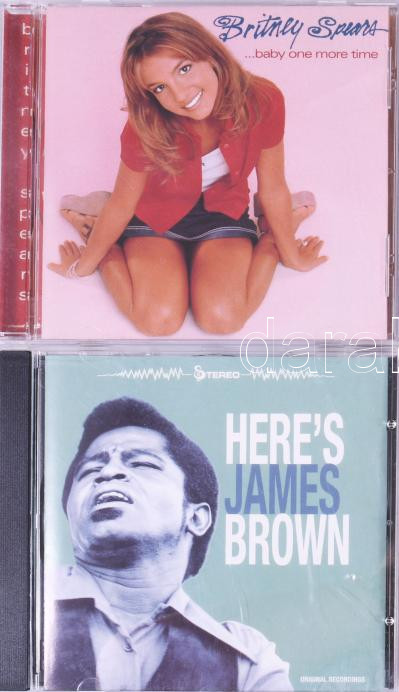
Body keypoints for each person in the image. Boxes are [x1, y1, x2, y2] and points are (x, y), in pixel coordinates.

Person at [47, 12, 326, 336]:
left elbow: (273, 187)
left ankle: (271, 238)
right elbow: (122, 205)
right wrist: (82, 266)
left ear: (210, 54)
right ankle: (101, 235)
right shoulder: (146, 123)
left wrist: (291, 255)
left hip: (223, 212)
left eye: (184, 69)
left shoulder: (263, 98)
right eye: (160, 87)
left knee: (222, 320)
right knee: (158, 322)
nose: (180, 95)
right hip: (155, 217)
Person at [45, 398, 292, 691]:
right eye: (88, 471)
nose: (107, 473)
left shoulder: (248, 663)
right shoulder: (25, 601)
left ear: (196, 517)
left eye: (142, 463)